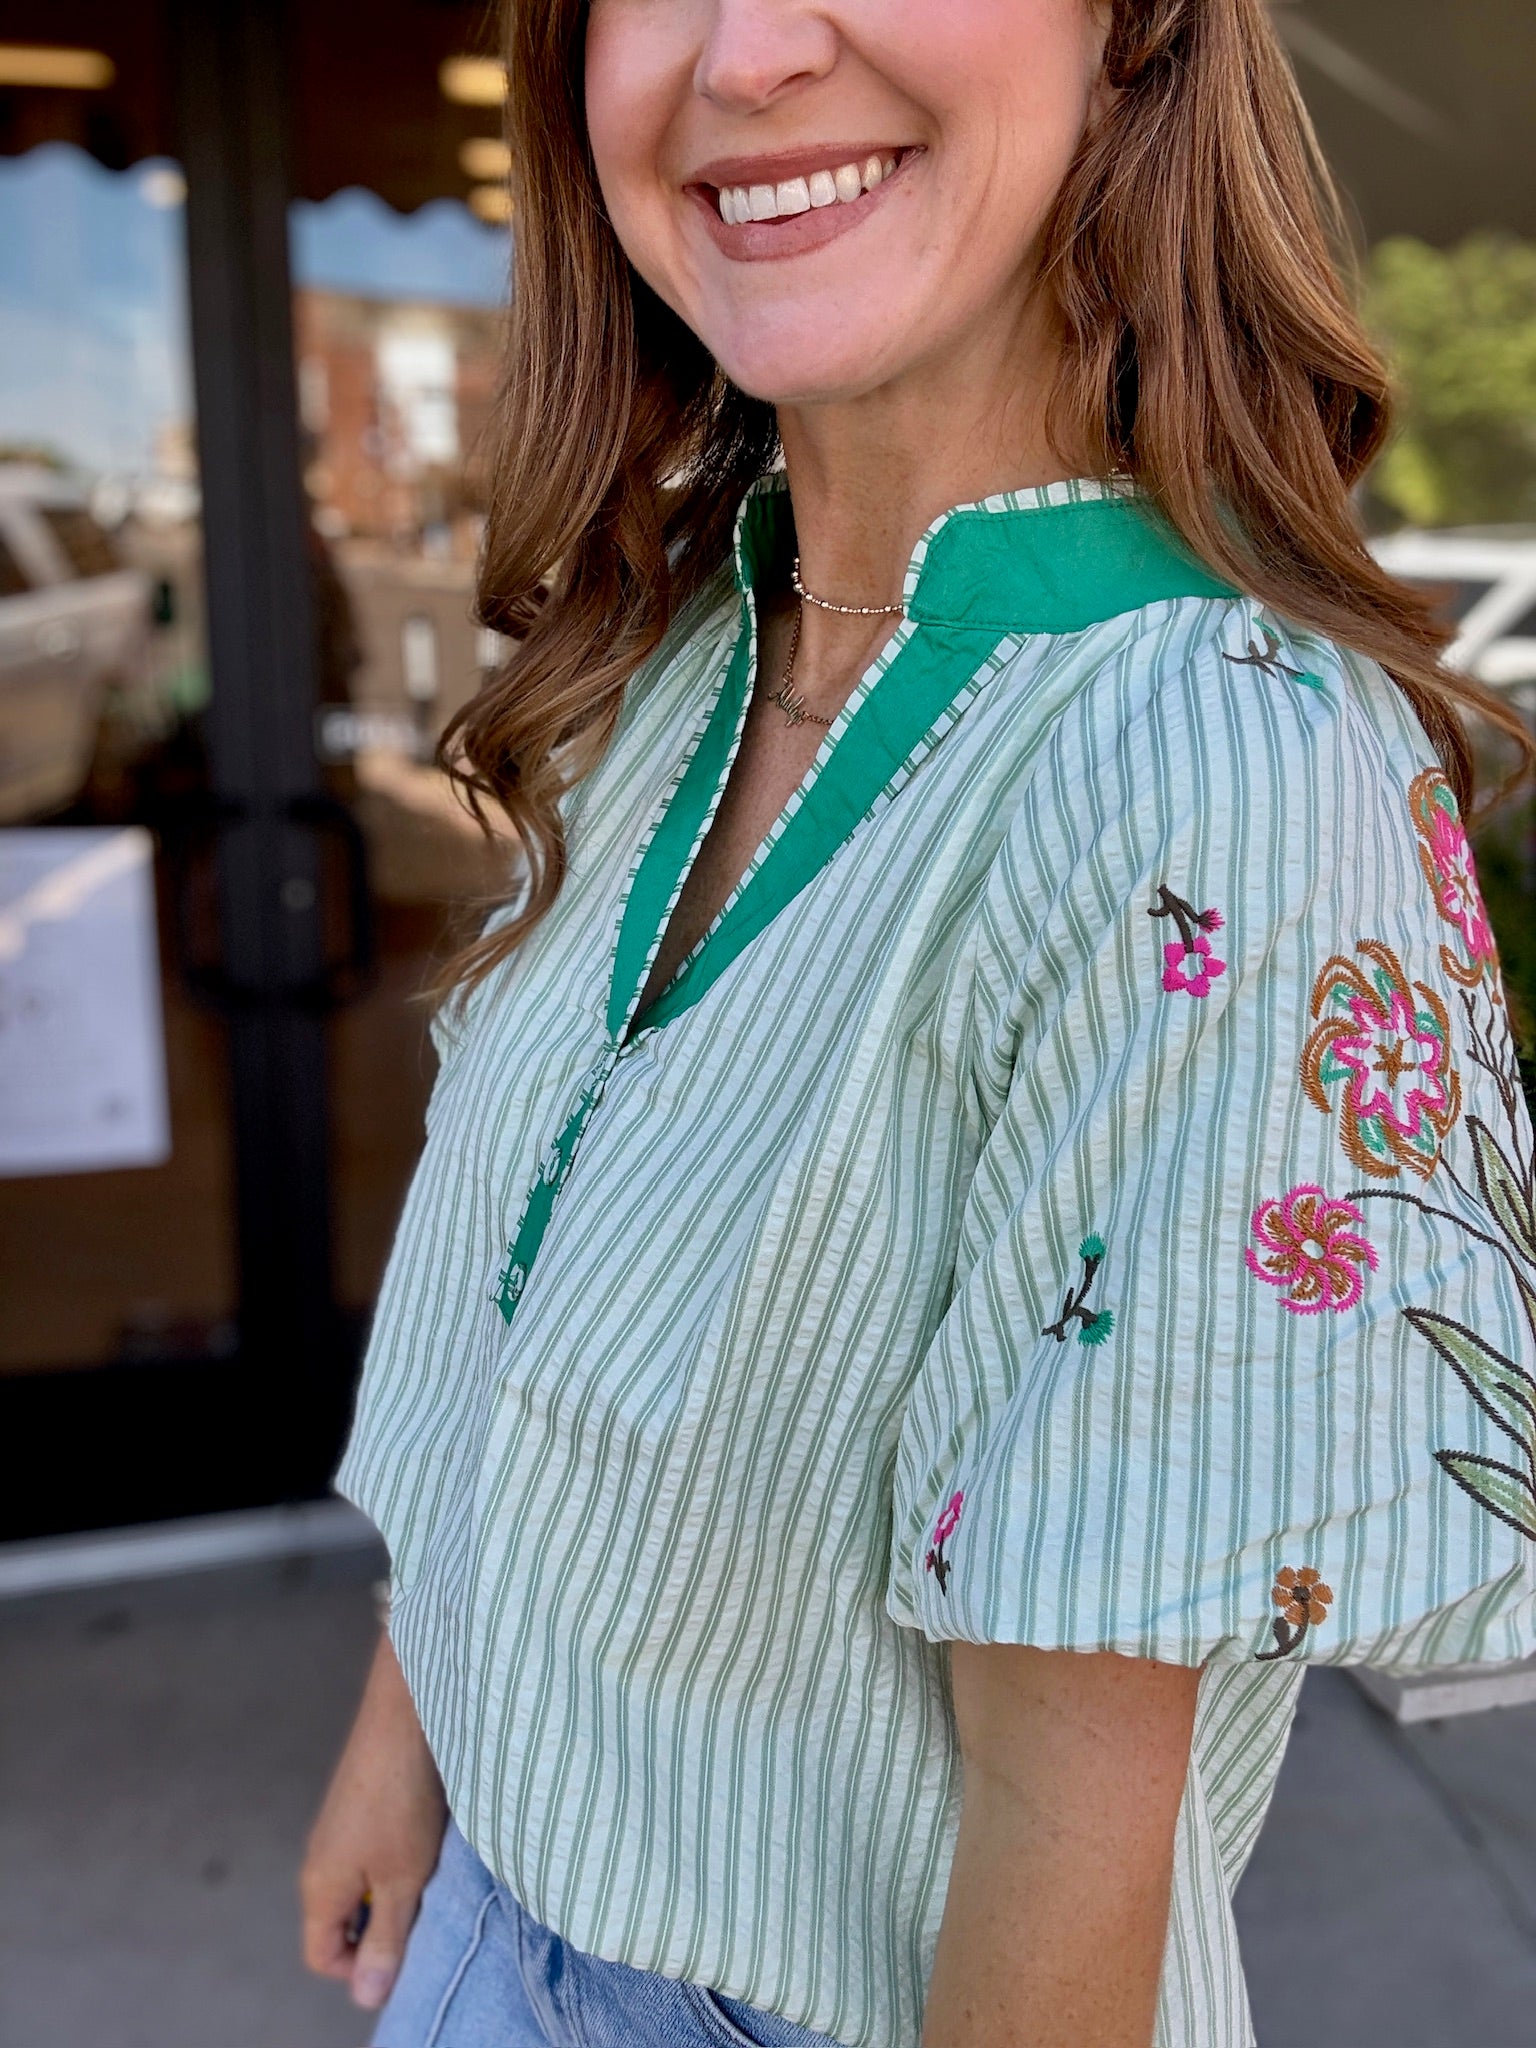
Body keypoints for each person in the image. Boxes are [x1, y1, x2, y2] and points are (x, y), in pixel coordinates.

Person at [301, 4, 1536, 2045]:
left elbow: (1072, 1806)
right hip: (489, 1917)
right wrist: (407, 1743)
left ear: (1131, 29)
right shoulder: (676, 654)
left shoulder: (1225, 779)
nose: (749, 52)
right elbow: (518, 1310)